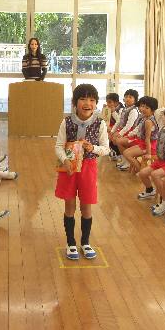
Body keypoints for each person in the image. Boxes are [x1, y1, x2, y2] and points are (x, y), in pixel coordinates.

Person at [55, 84, 109, 260]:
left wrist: (93, 148)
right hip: (69, 168)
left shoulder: (100, 123)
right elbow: (58, 146)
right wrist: (65, 160)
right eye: (83, 99)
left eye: (92, 100)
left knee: (86, 206)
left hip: (89, 168)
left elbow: (106, 149)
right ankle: (71, 243)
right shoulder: (66, 121)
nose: (88, 103)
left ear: (96, 103)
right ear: (74, 102)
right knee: (69, 205)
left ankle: (85, 242)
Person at [121, 96, 159, 173]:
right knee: (125, 152)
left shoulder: (148, 121)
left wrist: (148, 153)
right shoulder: (145, 117)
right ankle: (140, 169)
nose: (143, 109)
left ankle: (141, 171)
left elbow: (148, 139)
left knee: (127, 154)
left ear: (153, 110)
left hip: (150, 146)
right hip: (143, 144)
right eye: (142, 106)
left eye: (147, 108)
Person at [110, 89, 140, 165]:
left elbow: (129, 126)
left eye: (130, 97)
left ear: (135, 100)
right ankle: (122, 158)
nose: (127, 99)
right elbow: (118, 121)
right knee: (111, 136)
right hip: (125, 131)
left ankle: (127, 161)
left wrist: (120, 134)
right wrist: (112, 131)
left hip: (132, 133)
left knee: (118, 140)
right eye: (126, 96)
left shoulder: (134, 110)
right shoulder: (124, 109)